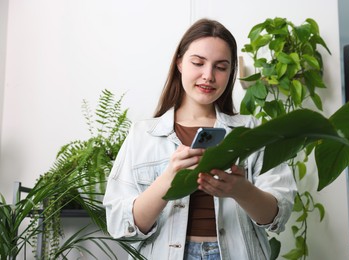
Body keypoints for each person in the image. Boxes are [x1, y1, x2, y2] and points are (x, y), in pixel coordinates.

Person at [103, 18, 297, 260]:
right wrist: (168, 179)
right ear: (180, 63)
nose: (208, 76)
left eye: (221, 67)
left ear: (230, 73)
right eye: (198, 63)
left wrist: (241, 190)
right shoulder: (143, 134)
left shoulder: (252, 131)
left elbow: (278, 216)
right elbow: (120, 225)